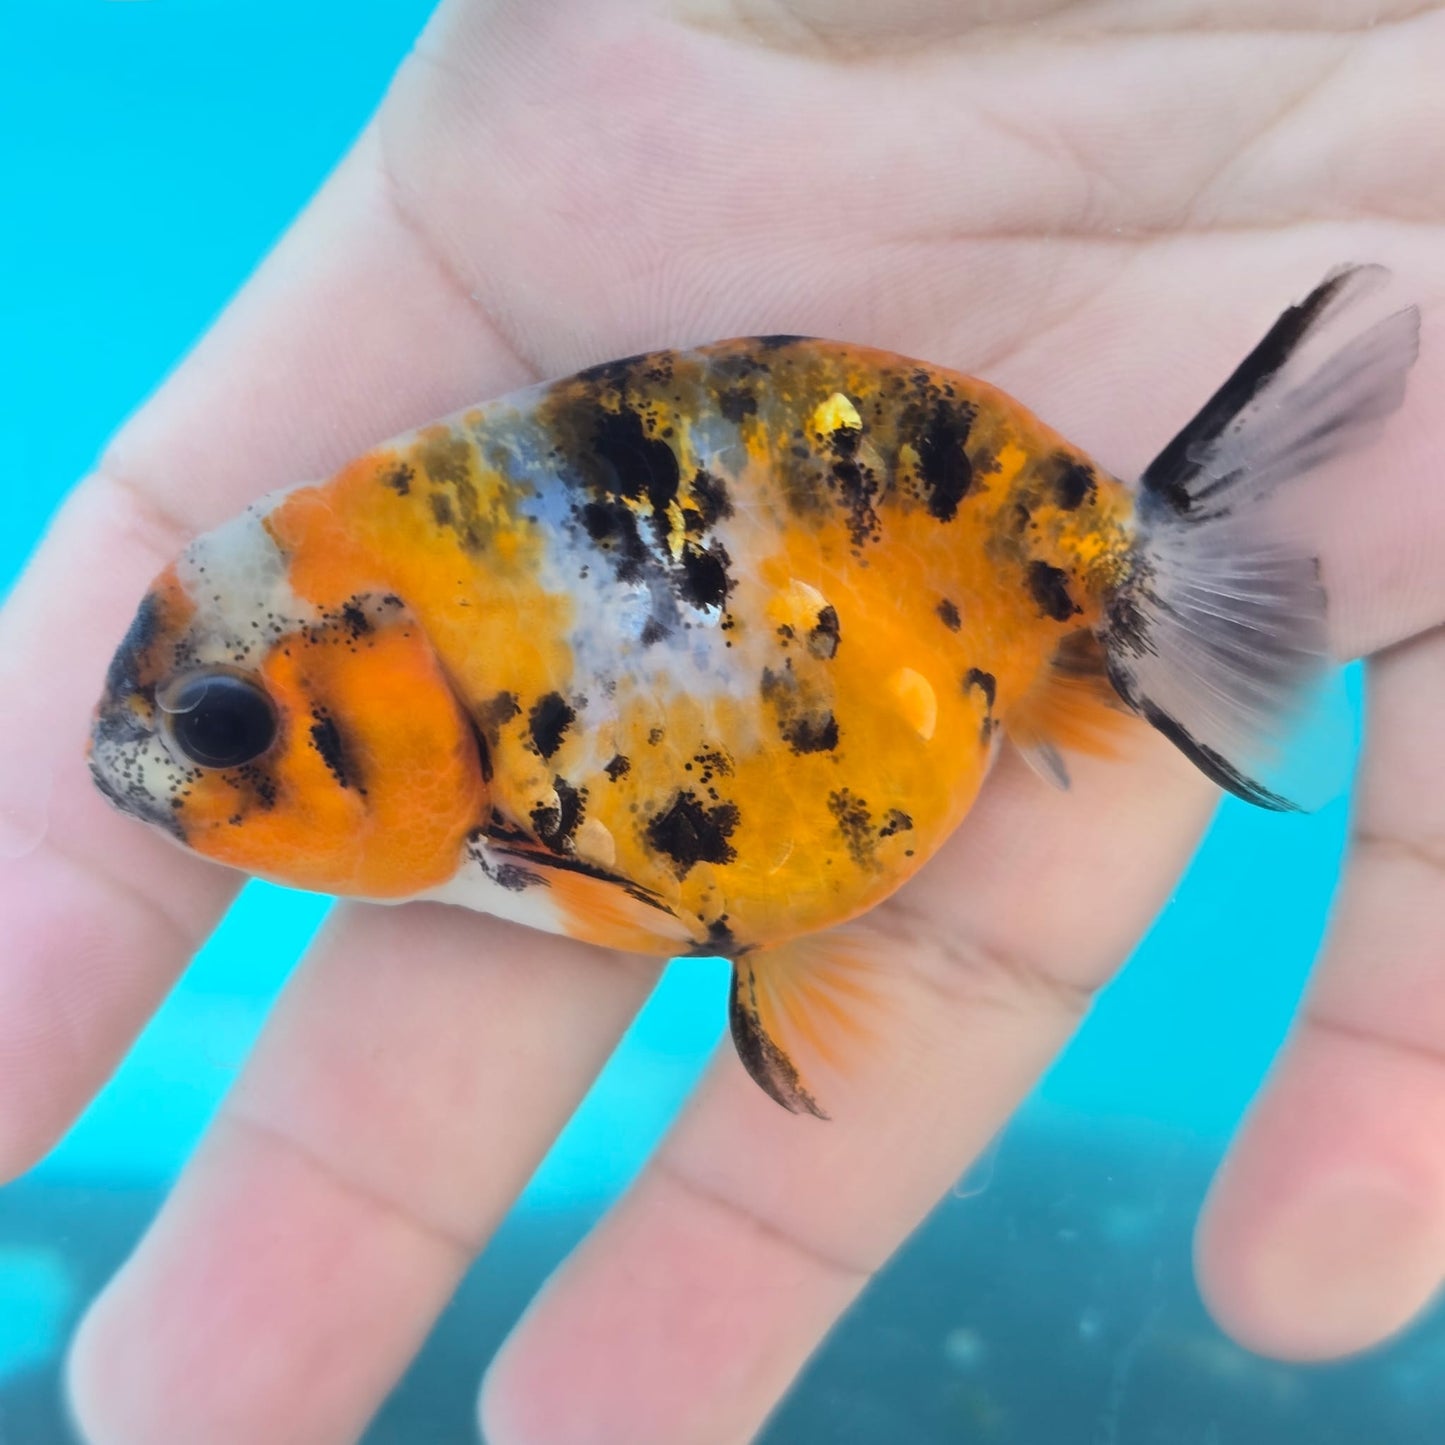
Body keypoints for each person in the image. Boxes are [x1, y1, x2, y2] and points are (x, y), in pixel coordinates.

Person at [2, 1, 1442, 1440]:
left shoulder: (480, 675)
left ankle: (1154, 571)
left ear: (377, 672)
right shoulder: (438, 609)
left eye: (224, 730)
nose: (193, 777)